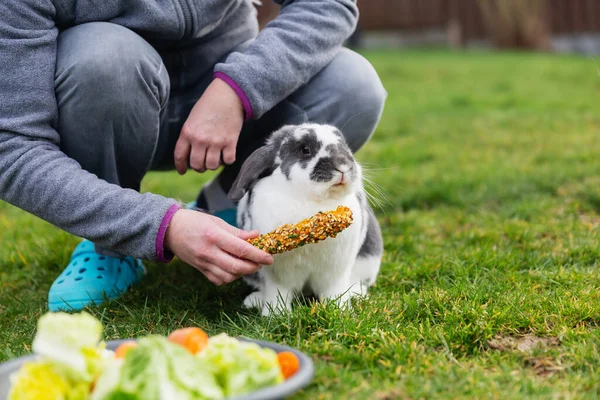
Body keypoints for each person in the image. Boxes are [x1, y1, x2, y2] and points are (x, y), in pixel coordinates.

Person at [0, 0, 386, 312]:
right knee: (103, 58)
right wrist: (160, 225)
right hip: (105, 93)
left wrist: (239, 88)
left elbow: (327, 4)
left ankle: (222, 204)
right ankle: (112, 244)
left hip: (229, 95)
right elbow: (13, 147)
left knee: (353, 84)